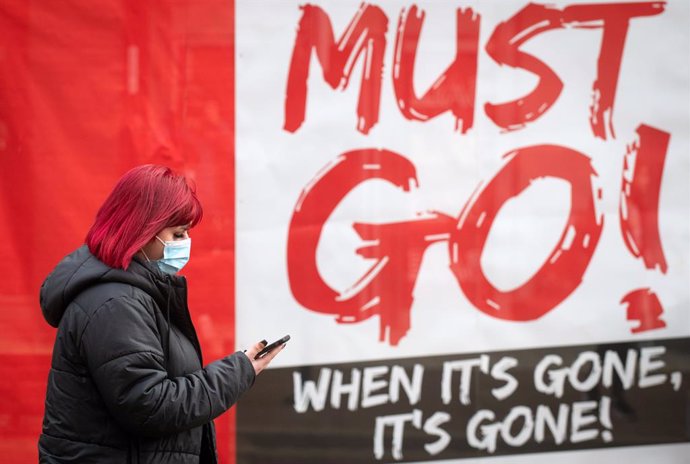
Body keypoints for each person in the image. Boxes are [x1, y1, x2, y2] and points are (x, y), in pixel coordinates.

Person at [38, 164, 282, 463]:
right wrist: (238, 372)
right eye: (177, 233)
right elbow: (149, 405)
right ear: (142, 230)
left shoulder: (131, 293)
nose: (185, 244)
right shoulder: (115, 303)